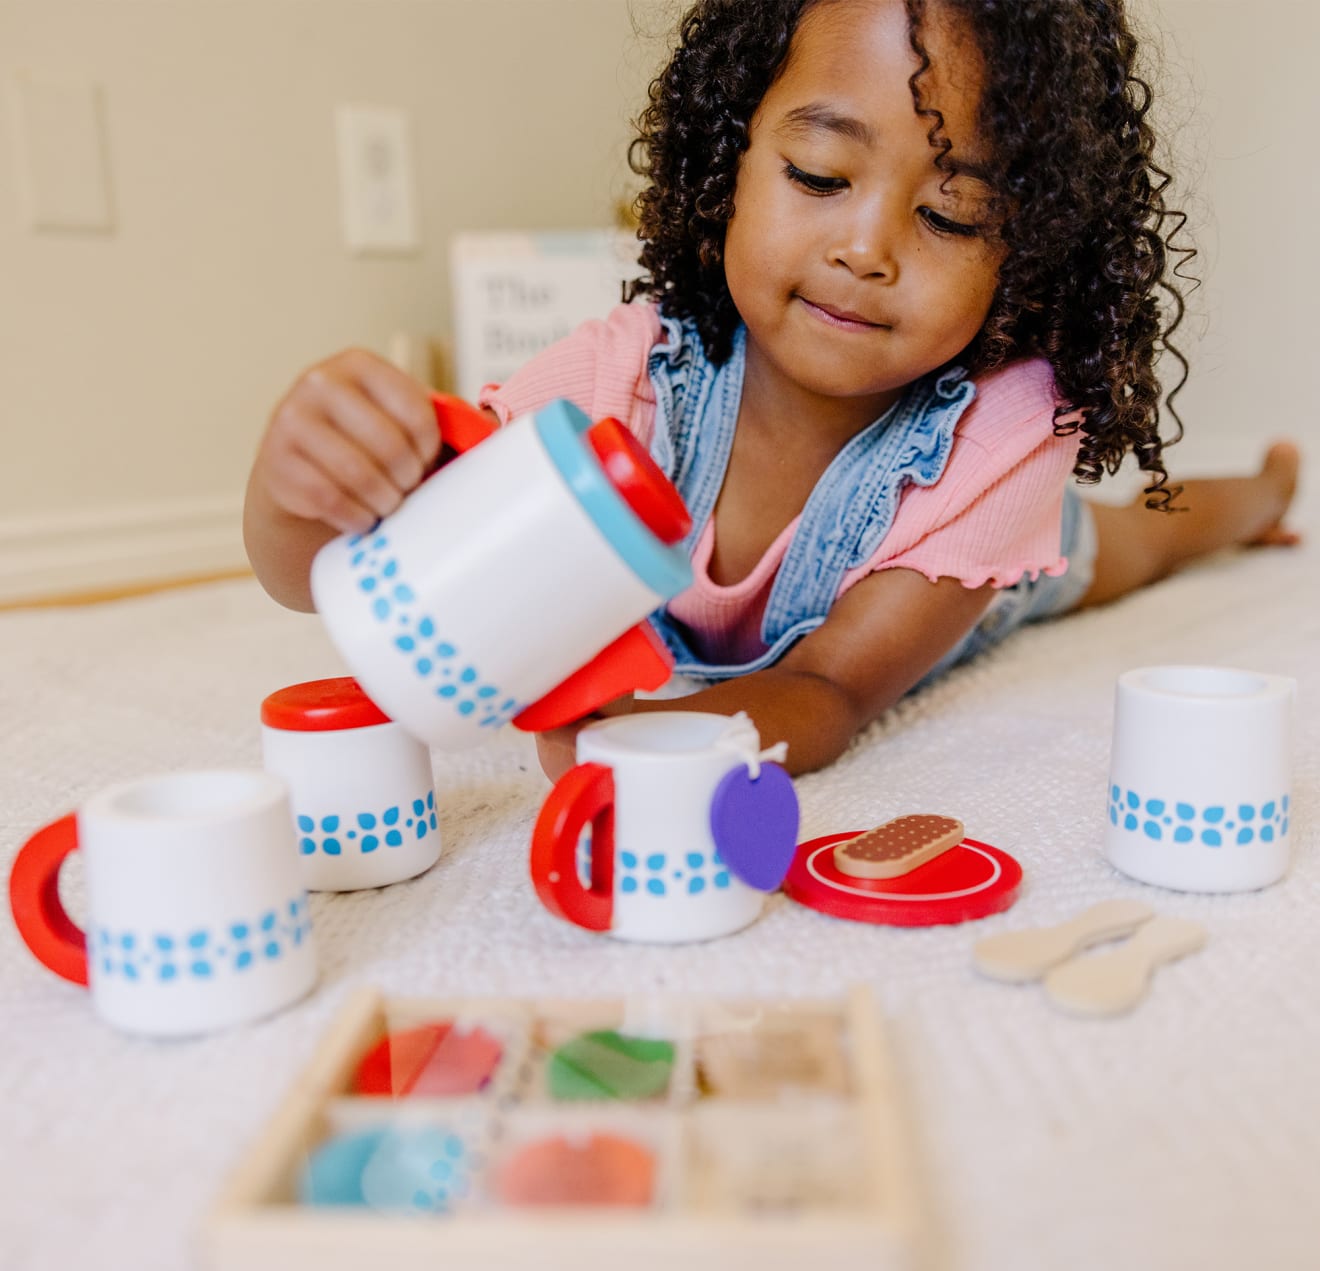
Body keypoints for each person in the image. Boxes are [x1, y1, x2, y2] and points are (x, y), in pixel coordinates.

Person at [244, 0, 1299, 780]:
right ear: (730, 159)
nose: (866, 249)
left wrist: (651, 744)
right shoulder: (626, 380)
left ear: (1026, 255)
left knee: (1130, 542)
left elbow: (828, 688)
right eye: (820, 177)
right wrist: (305, 487)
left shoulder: (1004, 435)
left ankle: (1259, 494)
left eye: (949, 216)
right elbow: (349, 575)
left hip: (961, 560)